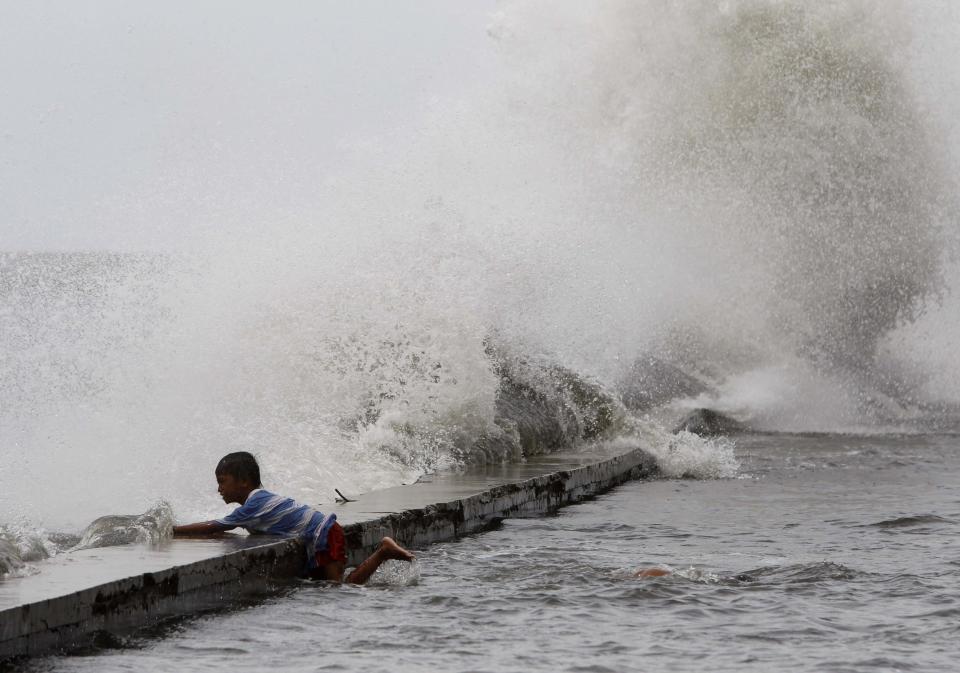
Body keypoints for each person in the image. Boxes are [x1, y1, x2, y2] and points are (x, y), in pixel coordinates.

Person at [173, 451, 414, 584]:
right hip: (325, 532)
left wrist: (173, 530)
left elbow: (212, 527)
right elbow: (220, 529)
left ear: (244, 481)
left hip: (326, 534)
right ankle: (382, 552)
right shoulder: (258, 500)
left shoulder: (253, 504)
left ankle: (383, 551)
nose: (219, 489)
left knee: (339, 589)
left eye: (222, 482)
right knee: (323, 585)